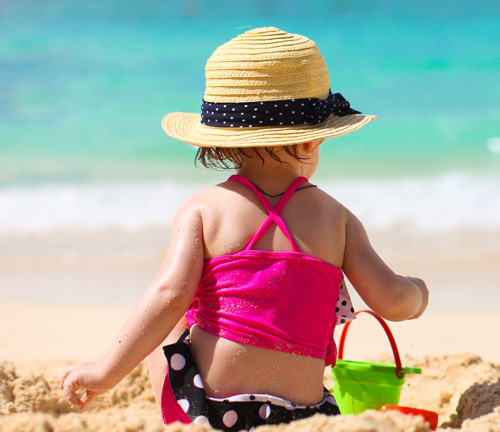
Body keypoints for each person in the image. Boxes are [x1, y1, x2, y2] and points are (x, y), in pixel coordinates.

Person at [60, 27, 429, 431]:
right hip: (302, 416)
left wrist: (105, 372)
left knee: (174, 311)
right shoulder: (337, 218)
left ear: (223, 141)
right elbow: (391, 300)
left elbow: (168, 294)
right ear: (310, 143)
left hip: (209, 411)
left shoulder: (202, 209)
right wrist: (418, 293)